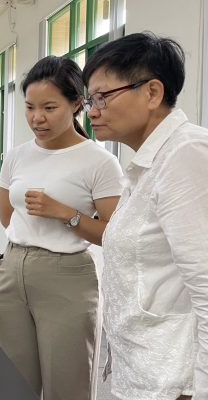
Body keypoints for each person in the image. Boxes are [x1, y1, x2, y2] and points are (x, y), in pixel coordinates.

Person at [82, 32, 207, 400]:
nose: (92, 111)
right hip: (146, 372)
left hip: (176, 384)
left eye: (103, 96)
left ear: (152, 93)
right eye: (90, 99)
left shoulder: (187, 154)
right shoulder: (147, 164)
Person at [0, 56, 122, 400]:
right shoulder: (17, 155)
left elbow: (115, 234)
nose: (37, 118)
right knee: (13, 379)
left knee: (68, 383)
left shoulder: (99, 162)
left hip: (68, 276)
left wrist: (66, 214)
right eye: (30, 107)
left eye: (49, 107)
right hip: (13, 268)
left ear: (77, 103)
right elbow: (8, 218)